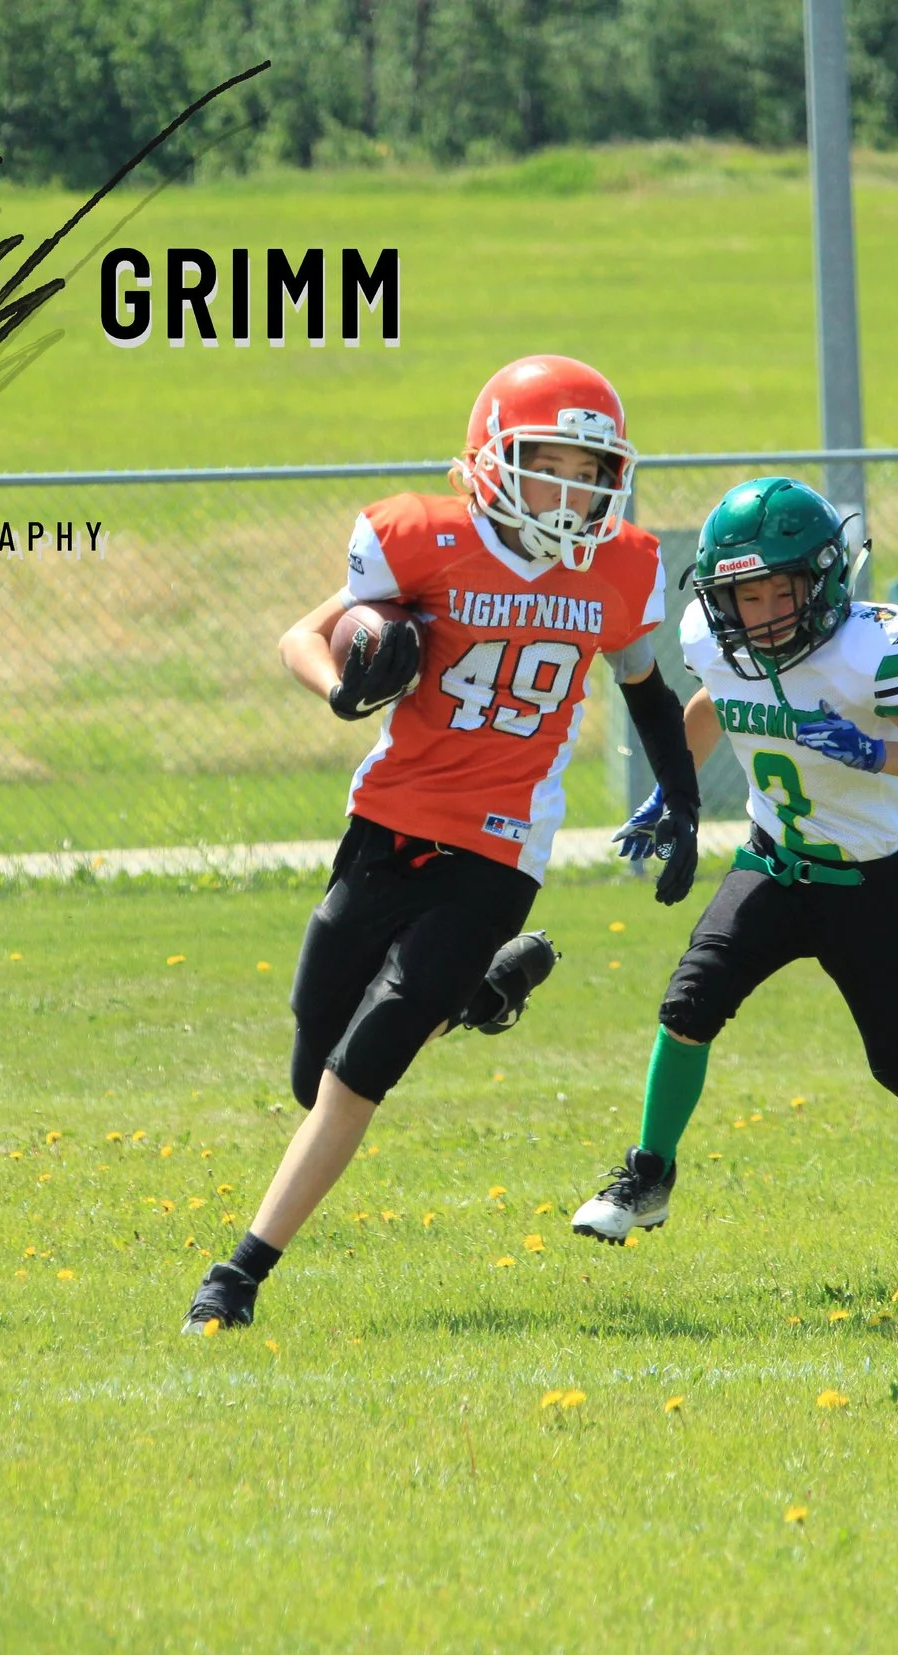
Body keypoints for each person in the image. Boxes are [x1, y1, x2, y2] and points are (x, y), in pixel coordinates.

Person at [187, 355, 703, 1329]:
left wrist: (681, 796)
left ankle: (238, 1275)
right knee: (313, 1071)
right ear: (495, 459)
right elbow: (303, 637)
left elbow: (644, 686)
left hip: (502, 846)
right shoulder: (420, 538)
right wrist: (342, 688)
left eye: (591, 473)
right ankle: (478, 992)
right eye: (552, 467)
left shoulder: (617, 563)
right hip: (388, 821)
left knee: (360, 1069)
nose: (575, 494)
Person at [572, 476, 898, 1244]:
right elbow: (712, 705)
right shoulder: (717, 641)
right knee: (688, 1005)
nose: (764, 613)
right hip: (772, 861)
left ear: (823, 581)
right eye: (747, 597)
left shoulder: (872, 651)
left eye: (782, 592)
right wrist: (674, 790)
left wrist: (871, 750)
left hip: (866, 882)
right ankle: (648, 1174)